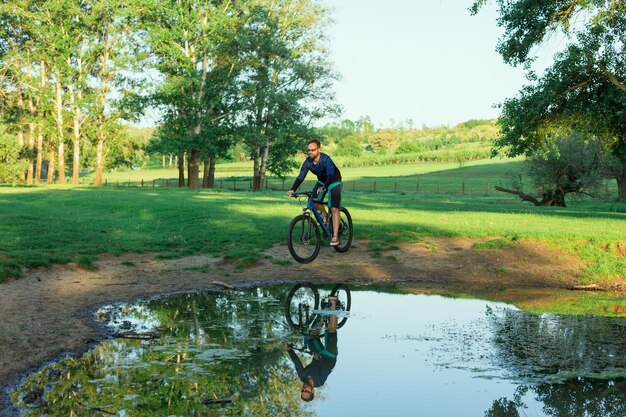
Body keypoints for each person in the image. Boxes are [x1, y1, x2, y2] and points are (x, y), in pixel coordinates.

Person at [287, 139, 343, 246]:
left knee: (334, 208)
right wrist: (292, 189)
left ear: (318, 149)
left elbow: (330, 174)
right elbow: (301, 177)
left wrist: (325, 187)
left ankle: (335, 236)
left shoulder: (326, 159)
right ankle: (326, 216)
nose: (310, 152)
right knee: (313, 200)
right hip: (322, 182)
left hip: (334, 181)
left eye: (313, 149)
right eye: (309, 150)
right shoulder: (308, 162)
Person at [285, 297, 339, 402]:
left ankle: (323, 315)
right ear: (312, 391)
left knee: (311, 336)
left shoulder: (302, 376)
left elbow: (297, 363)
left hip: (317, 354)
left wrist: (289, 349)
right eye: (307, 391)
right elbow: (326, 368)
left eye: (302, 390)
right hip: (329, 357)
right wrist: (318, 358)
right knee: (331, 330)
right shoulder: (319, 381)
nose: (304, 389)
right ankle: (333, 304)